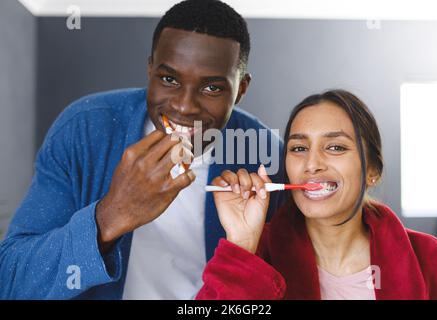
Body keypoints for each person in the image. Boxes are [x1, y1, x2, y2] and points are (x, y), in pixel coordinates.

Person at [0, 0, 284, 299]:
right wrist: (110, 217)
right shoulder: (84, 128)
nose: (184, 106)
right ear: (150, 69)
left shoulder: (265, 154)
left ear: (241, 89)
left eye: (212, 88)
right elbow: (12, 280)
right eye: (169, 79)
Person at [196, 89, 437, 300]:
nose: (312, 163)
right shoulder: (257, 255)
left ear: (372, 170)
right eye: (299, 148)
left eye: (335, 147)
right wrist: (241, 244)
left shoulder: (429, 258)